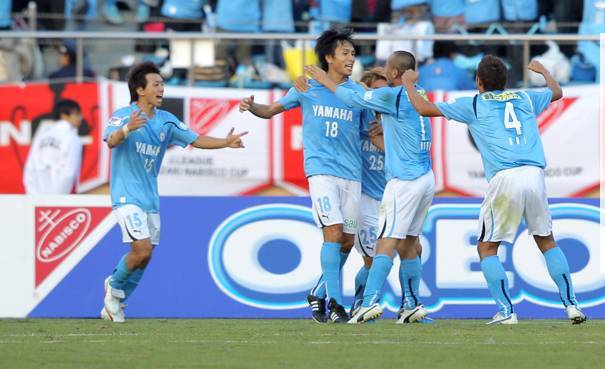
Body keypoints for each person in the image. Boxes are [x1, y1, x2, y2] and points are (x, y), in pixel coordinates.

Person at [401, 55, 587, 325]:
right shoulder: (524, 98)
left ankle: (507, 312)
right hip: (535, 175)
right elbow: (557, 92)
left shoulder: (474, 104)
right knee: (546, 240)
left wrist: (408, 84)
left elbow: (424, 108)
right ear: (506, 81)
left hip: (505, 176)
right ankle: (572, 305)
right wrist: (543, 70)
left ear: (478, 82)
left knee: (487, 248)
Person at [101, 62, 246, 323]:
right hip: (125, 197)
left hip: (150, 199)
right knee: (142, 249)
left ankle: (117, 299)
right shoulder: (123, 115)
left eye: (162, 84)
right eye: (156, 84)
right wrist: (126, 129)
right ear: (140, 90)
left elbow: (195, 139)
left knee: (145, 257)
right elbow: (111, 141)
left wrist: (225, 142)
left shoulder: (167, 121)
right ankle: (113, 286)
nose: (161, 88)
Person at [238, 29, 365, 323]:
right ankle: (335, 302)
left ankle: (318, 292)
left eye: (353, 54)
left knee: (346, 240)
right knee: (332, 231)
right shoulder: (306, 88)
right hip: (321, 172)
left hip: (352, 176)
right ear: (329, 57)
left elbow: (370, 128)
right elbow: (271, 110)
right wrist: (252, 106)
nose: (350, 58)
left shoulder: (357, 93)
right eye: (345, 53)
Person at [305, 50, 434, 324]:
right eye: (374, 89)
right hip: (371, 196)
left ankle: (389, 303)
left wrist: (326, 80)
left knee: (406, 247)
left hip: (398, 188)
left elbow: (355, 97)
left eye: (385, 77)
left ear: (395, 75)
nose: (380, 90)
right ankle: (367, 304)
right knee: (381, 253)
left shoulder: (388, 110)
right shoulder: (379, 114)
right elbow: (349, 108)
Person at [349, 67, 389, 316]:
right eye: (374, 91)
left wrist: (382, 142)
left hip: (389, 200)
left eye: (384, 92)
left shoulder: (396, 123)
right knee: (372, 260)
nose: (379, 97)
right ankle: (361, 305)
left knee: (408, 252)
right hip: (362, 199)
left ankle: (410, 305)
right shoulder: (356, 120)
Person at [22, 99, 84, 195]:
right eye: (76, 114)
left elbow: (29, 170)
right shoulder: (72, 139)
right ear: (64, 115)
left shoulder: (41, 137)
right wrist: (58, 199)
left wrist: (32, 195)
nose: (80, 117)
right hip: (62, 199)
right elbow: (69, 172)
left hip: (36, 198)